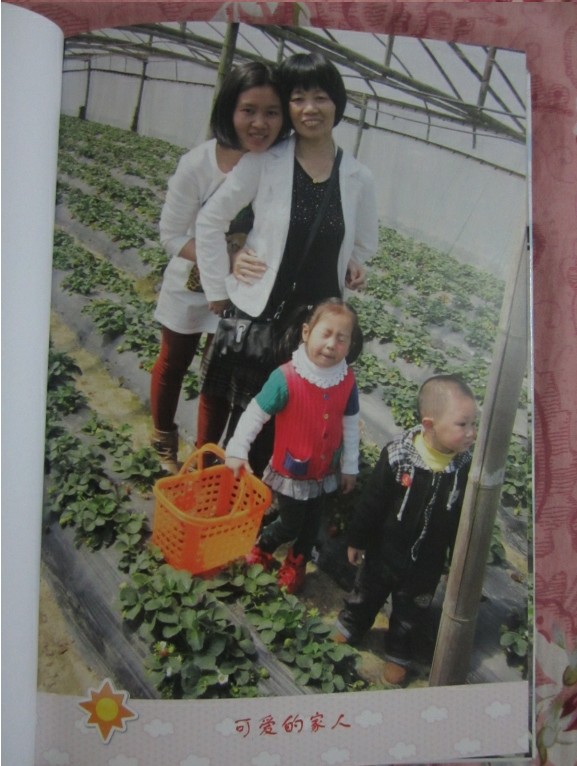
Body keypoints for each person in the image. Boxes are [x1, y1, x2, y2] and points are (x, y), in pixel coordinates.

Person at [195, 52, 378, 472]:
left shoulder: (358, 177)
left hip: (309, 327)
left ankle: (249, 498)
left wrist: (354, 262)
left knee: (274, 425)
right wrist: (220, 281)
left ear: (337, 103)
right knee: (223, 414)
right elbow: (211, 219)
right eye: (297, 99)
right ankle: (204, 489)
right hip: (256, 313)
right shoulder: (265, 161)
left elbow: (366, 241)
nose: (310, 108)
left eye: (320, 97)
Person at [149, 61, 290, 473]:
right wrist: (225, 258)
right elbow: (171, 235)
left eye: (272, 112)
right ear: (229, 110)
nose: (260, 123)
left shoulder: (277, 166)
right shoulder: (198, 164)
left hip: (243, 293)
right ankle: (163, 439)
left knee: (218, 380)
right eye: (249, 110)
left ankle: (205, 458)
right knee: (174, 362)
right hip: (190, 285)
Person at [333, 374, 478, 686]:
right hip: (384, 550)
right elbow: (373, 502)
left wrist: (457, 559)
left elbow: (462, 519)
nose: (471, 433)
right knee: (366, 591)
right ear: (429, 425)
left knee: (411, 610)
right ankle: (352, 624)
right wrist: (357, 539)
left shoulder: (464, 468)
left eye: (473, 424)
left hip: (427, 561)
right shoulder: (399, 456)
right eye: (462, 424)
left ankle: (399, 652)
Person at [225, 299, 362, 595]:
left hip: (325, 471)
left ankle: (296, 562)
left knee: (312, 525)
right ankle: (264, 546)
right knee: (290, 523)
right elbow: (256, 413)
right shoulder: (286, 377)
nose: (332, 344)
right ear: (306, 332)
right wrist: (237, 449)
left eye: (341, 338)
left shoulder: (347, 380)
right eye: (326, 334)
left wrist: (350, 466)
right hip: (292, 471)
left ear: (350, 345)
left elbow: (351, 424)